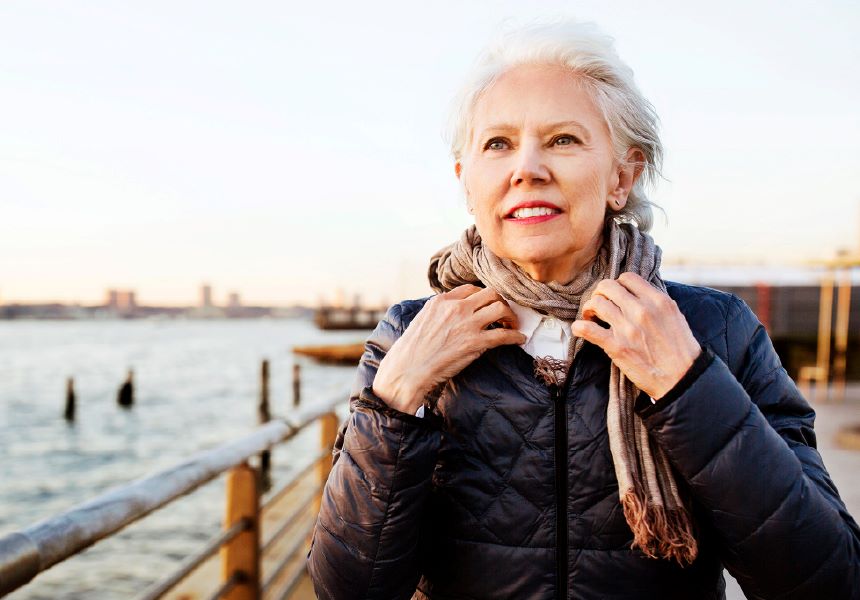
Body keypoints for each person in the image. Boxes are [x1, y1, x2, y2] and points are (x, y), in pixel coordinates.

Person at [307, 20, 860, 599]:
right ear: (467, 180)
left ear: (623, 175)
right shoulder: (412, 332)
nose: (527, 168)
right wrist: (394, 402)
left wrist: (688, 386)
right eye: (497, 143)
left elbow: (827, 581)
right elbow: (346, 590)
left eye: (563, 140)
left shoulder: (715, 330)